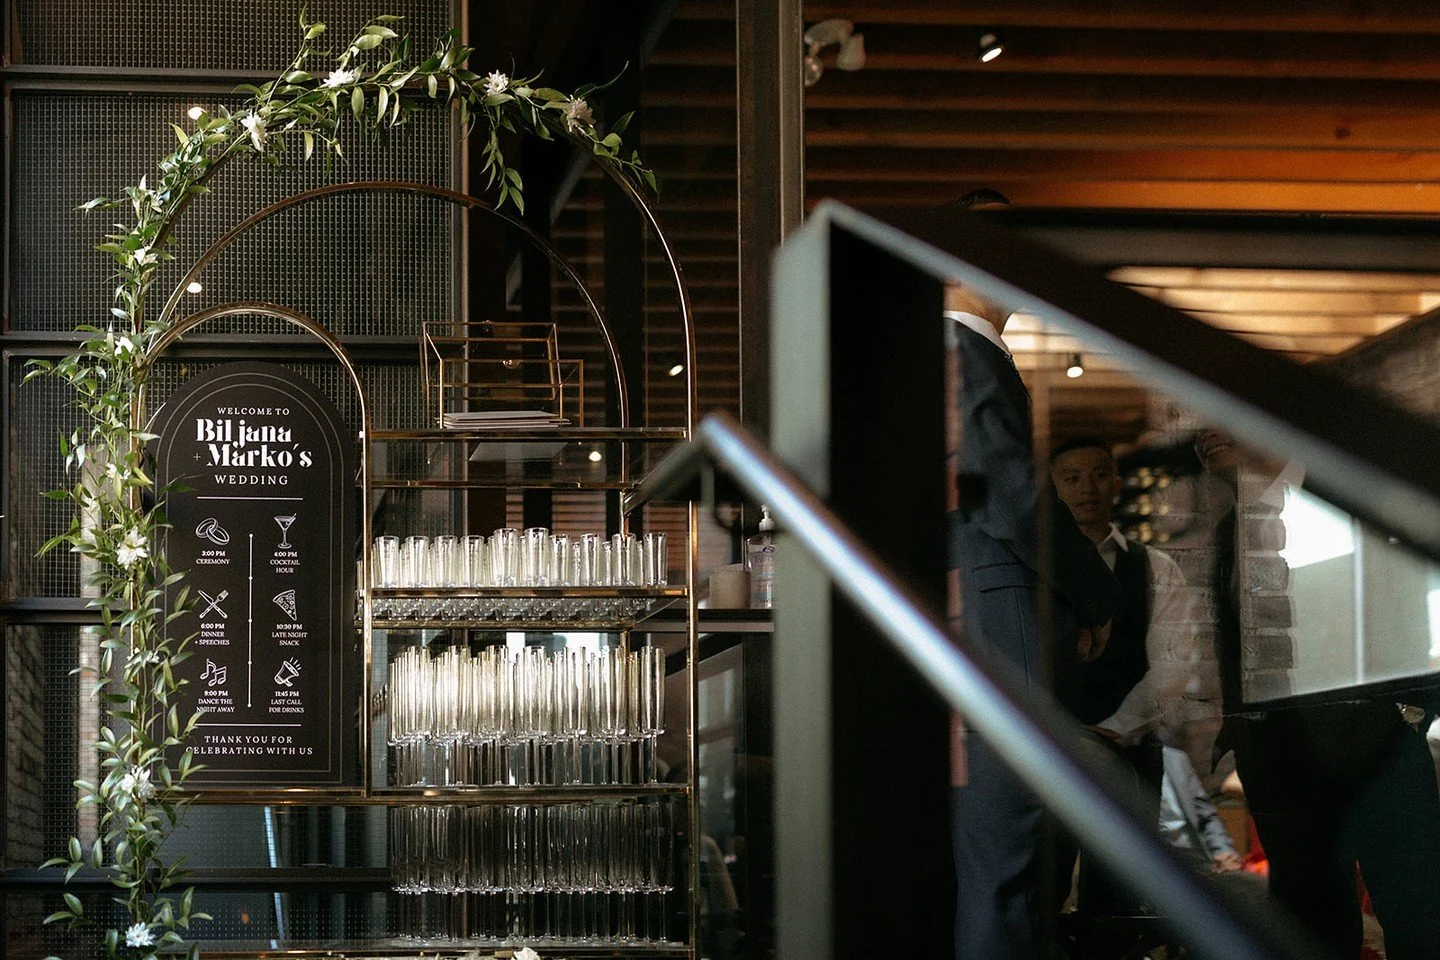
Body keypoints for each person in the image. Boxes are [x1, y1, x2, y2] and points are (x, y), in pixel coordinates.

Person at [944, 201, 1123, 960]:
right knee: (1011, 872)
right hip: (1003, 633)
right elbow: (1012, 494)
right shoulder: (960, 349)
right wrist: (1097, 594)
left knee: (994, 871)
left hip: (974, 630)